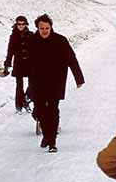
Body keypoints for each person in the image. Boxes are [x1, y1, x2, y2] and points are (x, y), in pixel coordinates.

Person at [27, 14, 84, 153]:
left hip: (55, 81)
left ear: (51, 27)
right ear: (37, 28)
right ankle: (47, 135)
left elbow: (71, 59)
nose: (45, 31)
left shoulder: (60, 40)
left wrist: (78, 78)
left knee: (52, 111)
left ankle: (52, 141)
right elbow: (26, 61)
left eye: (47, 28)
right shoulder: (32, 41)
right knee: (40, 111)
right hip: (37, 82)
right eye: (42, 28)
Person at [4, 15, 35, 112]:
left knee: (33, 83)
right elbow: (10, 51)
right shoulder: (13, 37)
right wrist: (7, 64)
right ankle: (19, 105)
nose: (21, 26)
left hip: (30, 63)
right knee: (19, 85)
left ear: (26, 25)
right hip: (19, 63)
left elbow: (36, 50)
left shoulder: (31, 34)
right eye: (19, 24)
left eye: (23, 24)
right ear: (16, 24)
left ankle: (26, 98)